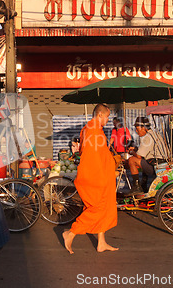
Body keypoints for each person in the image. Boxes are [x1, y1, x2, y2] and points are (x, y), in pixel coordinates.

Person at [62, 103, 118, 254]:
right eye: (107, 116)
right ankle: (71, 233)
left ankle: (101, 242)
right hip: (95, 177)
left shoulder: (89, 129)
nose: (108, 119)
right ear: (100, 115)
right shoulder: (93, 131)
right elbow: (92, 159)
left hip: (99, 175)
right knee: (98, 208)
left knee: (103, 206)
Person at [127, 117, 169, 194]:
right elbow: (145, 152)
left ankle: (137, 187)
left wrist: (132, 152)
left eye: (137, 129)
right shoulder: (155, 134)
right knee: (144, 162)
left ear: (143, 128)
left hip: (156, 166)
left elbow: (139, 156)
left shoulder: (148, 137)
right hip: (161, 164)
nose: (136, 131)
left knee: (132, 160)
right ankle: (143, 186)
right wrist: (136, 149)